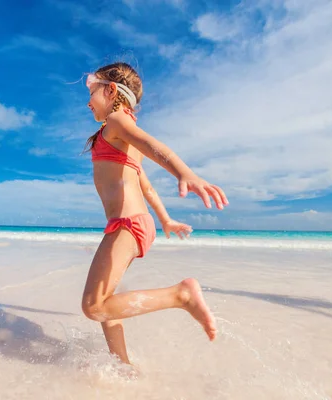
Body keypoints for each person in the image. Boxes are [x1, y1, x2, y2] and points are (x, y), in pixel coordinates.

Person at [81, 62, 229, 366]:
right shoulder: (116, 134)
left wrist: (186, 173)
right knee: (108, 302)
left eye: (92, 91)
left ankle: (181, 296)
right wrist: (165, 220)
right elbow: (144, 185)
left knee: (94, 306)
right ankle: (123, 366)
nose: (87, 101)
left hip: (127, 224)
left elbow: (153, 145)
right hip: (131, 223)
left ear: (111, 91)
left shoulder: (119, 122)